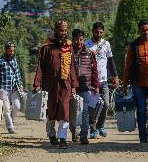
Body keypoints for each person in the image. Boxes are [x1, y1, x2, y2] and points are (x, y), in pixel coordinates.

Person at [33, 20, 78, 148]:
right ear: (55, 31)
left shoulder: (69, 47)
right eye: (61, 30)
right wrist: (37, 83)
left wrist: (74, 85)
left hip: (65, 84)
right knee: (50, 112)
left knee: (65, 111)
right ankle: (52, 135)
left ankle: (63, 138)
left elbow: (72, 67)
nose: (63, 33)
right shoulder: (46, 47)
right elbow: (40, 66)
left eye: (65, 30)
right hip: (50, 85)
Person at [85, 21, 119, 139]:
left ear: (103, 32)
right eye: (96, 32)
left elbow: (110, 61)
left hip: (104, 81)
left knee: (106, 104)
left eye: (100, 32)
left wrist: (115, 76)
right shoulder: (86, 44)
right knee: (93, 105)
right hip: (91, 82)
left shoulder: (106, 44)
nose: (98, 34)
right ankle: (93, 128)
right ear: (92, 31)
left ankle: (101, 125)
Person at [70, 29, 99, 144]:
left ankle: (83, 135)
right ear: (72, 39)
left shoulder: (90, 53)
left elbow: (95, 71)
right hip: (72, 87)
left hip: (86, 87)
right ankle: (73, 132)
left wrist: (96, 86)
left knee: (85, 111)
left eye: (81, 39)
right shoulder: (68, 52)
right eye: (76, 39)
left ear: (84, 40)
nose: (78, 42)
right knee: (72, 112)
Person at [0, 41, 23, 134]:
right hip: (4, 88)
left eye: (13, 51)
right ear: (5, 50)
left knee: (17, 106)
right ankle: (10, 127)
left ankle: (11, 120)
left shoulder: (14, 60)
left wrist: (21, 86)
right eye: (10, 51)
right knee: (6, 108)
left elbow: (17, 74)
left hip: (14, 88)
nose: (12, 53)